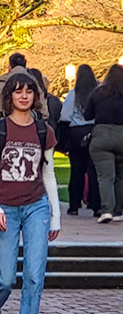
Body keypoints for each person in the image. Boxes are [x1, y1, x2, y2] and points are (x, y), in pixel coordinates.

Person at [0, 73, 60, 314]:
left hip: (36, 205)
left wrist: (56, 216)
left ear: (36, 96)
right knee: (3, 278)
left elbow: (48, 174)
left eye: (29, 91)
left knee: (34, 274)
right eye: (18, 91)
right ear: (9, 96)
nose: (24, 96)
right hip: (5, 207)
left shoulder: (44, 131)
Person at [60, 64, 101, 217]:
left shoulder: (73, 94)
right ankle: (96, 204)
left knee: (77, 170)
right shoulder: (98, 94)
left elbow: (65, 116)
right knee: (94, 170)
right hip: (94, 132)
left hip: (76, 134)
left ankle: (74, 205)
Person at [84, 64, 123, 224]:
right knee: (121, 176)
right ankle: (118, 210)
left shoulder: (98, 92)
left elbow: (87, 115)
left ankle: (106, 209)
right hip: (122, 134)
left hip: (101, 134)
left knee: (105, 176)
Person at [0, 53, 49, 122]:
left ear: (9, 68)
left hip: (7, 127)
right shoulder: (33, 83)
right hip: (32, 126)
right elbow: (44, 112)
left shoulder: (1, 85)